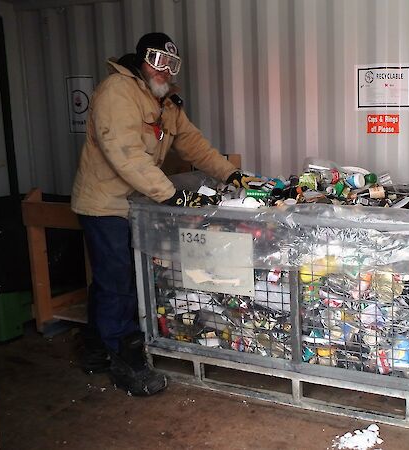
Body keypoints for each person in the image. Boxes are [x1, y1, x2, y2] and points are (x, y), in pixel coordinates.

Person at [71, 32, 244, 396]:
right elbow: (126, 155)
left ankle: (95, 342)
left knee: (120, 276)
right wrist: (171, 197)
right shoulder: (118, 92)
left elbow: (194, 144)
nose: (164, 70)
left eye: (171, 63)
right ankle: (121, 357)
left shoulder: (166, 103)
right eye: (157, 60)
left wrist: (231, 173)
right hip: (105, 205)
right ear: (140, 60)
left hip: (138, 204)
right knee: (117, 279)